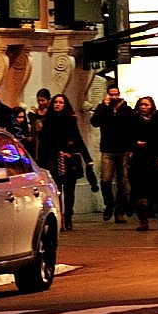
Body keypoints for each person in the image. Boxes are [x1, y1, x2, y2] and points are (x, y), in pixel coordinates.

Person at [35, 93, 93, 228]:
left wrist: (87, 158)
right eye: (56, 102)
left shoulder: (70, 119)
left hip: (69, 159)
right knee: (56, 189)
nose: (58, 105)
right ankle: (59, 217)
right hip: (53, 159)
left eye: (61, 102)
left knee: (69, 189)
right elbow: (44, 141)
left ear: (65, 104)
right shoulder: (48, 120)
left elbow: (78, 139)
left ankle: (68, 217)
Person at [129, 94, 158, 229]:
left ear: (152, 106)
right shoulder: (134, 119)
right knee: (139, 190)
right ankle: (143, 221)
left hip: (155, 158)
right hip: (139, 158)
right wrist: (134, 144)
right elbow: (126, 135)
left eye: (146, 105)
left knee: (156, 190)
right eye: (141, 105)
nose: (143, 107)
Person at [92, 88, 135, 221]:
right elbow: (94, 122)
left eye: (116, 94)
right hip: (108, 149)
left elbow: (132, 128)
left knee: (122, 181)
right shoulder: (103, 108)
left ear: (119, 95)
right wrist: (104, 107)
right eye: (111, 94)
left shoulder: (127, 110)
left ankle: (119, 211)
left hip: (123, 149)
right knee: (106, 179)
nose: (113, 97)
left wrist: (131, 148)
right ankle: (109, 204)